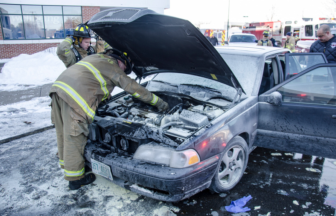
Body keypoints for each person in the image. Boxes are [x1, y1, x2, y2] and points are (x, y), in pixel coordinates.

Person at [50, 49, 169, 190]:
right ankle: (75, 179)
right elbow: (134, 88)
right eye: (125, 69)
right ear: (121, 61)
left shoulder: (97, 58)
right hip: (75, 98)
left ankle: (69, 165)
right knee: (75, 136)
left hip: (58, 91)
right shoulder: (113, 66)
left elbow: (95, 83)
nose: (124, 72)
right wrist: (160, 104)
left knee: (63, 131)